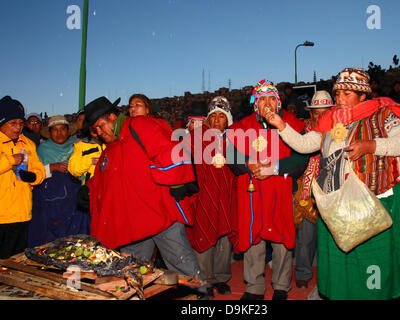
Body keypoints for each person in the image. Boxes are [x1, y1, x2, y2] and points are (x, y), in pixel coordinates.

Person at [264, 68, 400, 300]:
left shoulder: (383, 115)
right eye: (338, 93)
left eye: (347, 94)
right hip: (344, 205)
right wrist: (280, 124)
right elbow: (304, 144)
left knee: (378, 263)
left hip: (382, 201)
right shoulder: (330, 121)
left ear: (363, 96)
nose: (340, 99)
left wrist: (370, 146)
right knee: (349, 265)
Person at [83, 96, 207, 297]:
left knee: (182, 264)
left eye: (100, 126)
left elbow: (168, 148)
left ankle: (200, 298)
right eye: (94, 130)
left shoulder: (138, 125)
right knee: (133, 271)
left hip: (160, 213)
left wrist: (176, 180)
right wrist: (90, 191)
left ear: (113, 117)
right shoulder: (112, 148)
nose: (98, 133)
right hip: (133, 223)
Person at [225, 79, 308, 300]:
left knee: (281, 240)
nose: (268, 103)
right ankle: (254, 286)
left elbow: (301, 160)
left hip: (281, 188)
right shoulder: (241, 127)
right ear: (255, 104)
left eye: (272, 98)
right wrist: (246, 164)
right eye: (263, 99)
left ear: (279, 102)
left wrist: (274, 168)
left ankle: (281, 286)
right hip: (252, 192)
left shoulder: (291, 124)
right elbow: (231, 158)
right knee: (253, 238)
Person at [183, 96, 235, 298]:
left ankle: (220, 278)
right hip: (203, 193)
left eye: (222, 116)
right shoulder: (195, 136)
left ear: (227, 121)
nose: (216, 120)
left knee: (224, 238)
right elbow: (183, 160)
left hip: (227, 194)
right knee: (204, 234)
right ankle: (204, 280)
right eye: (213, 116)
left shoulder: (234, 138)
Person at [27, 115, 90, 248]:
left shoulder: (78, 146)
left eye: (62, 129)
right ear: (49, 133)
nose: (59, 133)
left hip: (74, 202)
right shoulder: (42, 150)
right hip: (51, 204)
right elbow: (33, 173)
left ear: (68, 131)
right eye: (55, 130)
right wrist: (52, 167)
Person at [292, 90, 334, 289]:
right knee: (305, 238)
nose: (319, 117)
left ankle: (332, 275)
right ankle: (302, 272)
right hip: (307, 191)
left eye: (324, 112)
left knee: (332, 238)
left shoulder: (341, 131)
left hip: (333, 192)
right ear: (310, 113)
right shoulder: (302, 132)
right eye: (316, 112)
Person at [0, 96, 45, 258]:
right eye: (13, 123)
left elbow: (39, 170)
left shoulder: (28, 143)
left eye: (20, 123)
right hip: (1, 215)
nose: (18, 127)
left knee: (16, 260)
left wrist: (33, 177)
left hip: (22, 213)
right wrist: (11, 160)